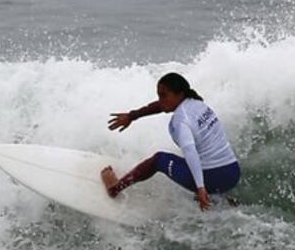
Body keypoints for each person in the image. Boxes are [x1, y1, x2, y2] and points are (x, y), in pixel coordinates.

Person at [101, 72, 240, 210]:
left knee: (159, 160)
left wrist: (200, 188)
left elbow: (190, 152)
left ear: (180, 94)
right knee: (199, 159)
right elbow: (160, 106)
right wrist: (132, 116)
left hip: (213, 178)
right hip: (232, 172)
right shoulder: (197, 104)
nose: (160, 100)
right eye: (159, 96)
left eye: (163, 95)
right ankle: (222, 199)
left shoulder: (181, 121)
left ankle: (115, 188)